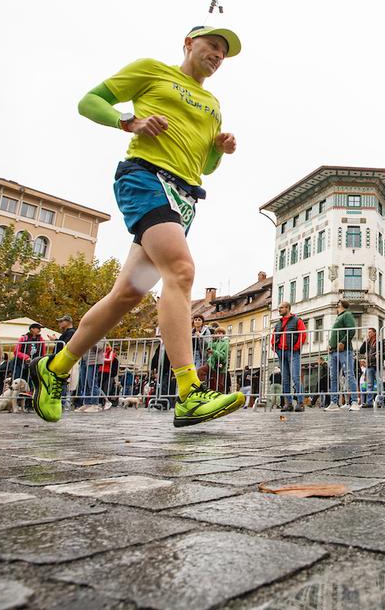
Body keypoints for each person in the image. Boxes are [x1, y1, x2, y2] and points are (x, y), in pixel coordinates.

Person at [26, 25, 244, 428]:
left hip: (185, 195)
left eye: (222, 53)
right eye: (211, 46)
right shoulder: (152, 70)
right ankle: (189, 392)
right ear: (188, 44)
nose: (216, 55)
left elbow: (205, 167)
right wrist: (130, 120)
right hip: (144, 178)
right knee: (180, 271)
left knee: (127, 293)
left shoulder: (213, 104)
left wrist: (220, 150)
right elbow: (90, 101)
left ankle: (54, 368)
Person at [271, 301, 307, 412]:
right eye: (279, 308)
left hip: (293, 352)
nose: (279, 310)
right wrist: (274, 347)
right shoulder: (278, 324)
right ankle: (288, 403)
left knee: (296, 377)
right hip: (281, 352)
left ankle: (300, 403)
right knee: (285, 379)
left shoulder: (297, 320)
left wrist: (296, 347)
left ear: (287, 308)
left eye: (281, 308)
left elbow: (303, 334)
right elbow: (274, 336)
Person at [327, 300, 358, 410]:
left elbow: (351, 330)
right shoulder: (338, 317)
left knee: (349, 375)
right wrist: (330, 344)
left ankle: (354, 401)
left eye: (337, 304)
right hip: (334, 351)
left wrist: (343, 342)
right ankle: (334, 402)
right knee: (333, 377)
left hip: (344, 351)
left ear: (340, 305)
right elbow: (336, 333)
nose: (336, 306)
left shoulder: (347, 314)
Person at [358, 327, 385, 408]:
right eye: (368, 332)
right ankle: (369, 402)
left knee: (379, 383)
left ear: (374, 333)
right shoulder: (368, 342)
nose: (368, 334)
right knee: (369, 385)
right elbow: (361, 351)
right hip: (369, 365)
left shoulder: (380, 341)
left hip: (377, 365)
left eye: (370, 332)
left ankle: (380, 401)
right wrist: (365, 341)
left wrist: (380, 355)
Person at [205, 326, 230, 393]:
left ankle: (220, 397)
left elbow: (223, 356)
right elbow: (209, 349)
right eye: (217, 333)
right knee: (201, 372)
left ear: (223, 334)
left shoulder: (225, 343)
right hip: (212, 364)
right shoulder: (213, 342)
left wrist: (213, 352)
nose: (218, 334)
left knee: (219, 384)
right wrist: (212, 341)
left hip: (221, 366)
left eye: (220, 333)